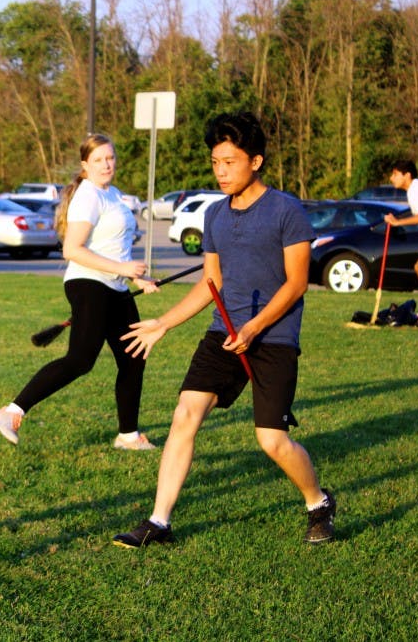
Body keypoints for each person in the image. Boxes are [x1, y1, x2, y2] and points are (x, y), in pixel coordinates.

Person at [113, 111, 336, 549]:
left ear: (256, 161)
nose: (220, 170)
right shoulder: (215, 214)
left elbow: (296, 283)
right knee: (185, 415)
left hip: (272, 336)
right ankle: (159, 523)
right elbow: (209, 283)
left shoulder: (285, 210)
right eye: (215, 161)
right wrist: (163, 323)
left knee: (272, 439)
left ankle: (319, 502)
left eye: (229, 161)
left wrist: (254, 327)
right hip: (223, 334)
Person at [0, 133, 159, 449]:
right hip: (89, 284)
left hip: (113, 286)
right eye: (98, 160)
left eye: (110, 158)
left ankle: (128, 436)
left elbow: (115, 248)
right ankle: (11, 411)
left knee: (133, 358)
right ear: (85, 165)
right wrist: (124, 270)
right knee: (81, 360)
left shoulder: (113, 194)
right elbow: (72, 249)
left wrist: (137, 279)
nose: (107, 164)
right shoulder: (89, 195)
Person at [383, 160, 418, 287]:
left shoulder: (414, 191)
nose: (391, 178)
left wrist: (398, 222)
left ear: (407, 175)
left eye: (395, 174)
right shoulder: (417, 187)